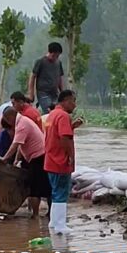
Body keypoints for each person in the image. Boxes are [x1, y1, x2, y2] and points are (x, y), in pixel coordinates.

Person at [0, 107, 51, 219]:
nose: (8, 123)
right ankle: (41, 213)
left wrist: (4, 159)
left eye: (7, 120)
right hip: (34, 157)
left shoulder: (22, 124)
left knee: (35, 188)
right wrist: (17, 160)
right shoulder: (21, 122)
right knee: (38, 185)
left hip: (38, 156)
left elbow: (15, 144)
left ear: (10, 117)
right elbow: (21, 146)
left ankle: (35, 215)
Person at [45, 90, 83, 234]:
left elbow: (57, 133)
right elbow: (64, 138)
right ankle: (60, 225)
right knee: (61, 192)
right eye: (73, 101)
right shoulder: (63, 115)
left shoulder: (53, 114)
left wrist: (72, 126)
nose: (75, 104)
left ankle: (54, 223)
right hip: (60, 160)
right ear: (66, 101)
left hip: (50, 159)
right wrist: (71, 156)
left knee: (55, 192)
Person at [28, 42, 64, 115]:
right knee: (49, 111)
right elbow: (32, 77)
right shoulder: (41, 62)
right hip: (43, 93)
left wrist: (62, 93)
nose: (56, 58)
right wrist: (31, 94)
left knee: (58, 111)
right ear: (50, 53)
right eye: (55, 56)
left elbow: (60, 77)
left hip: (55, 93)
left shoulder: (58, 63)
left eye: (58, 56)